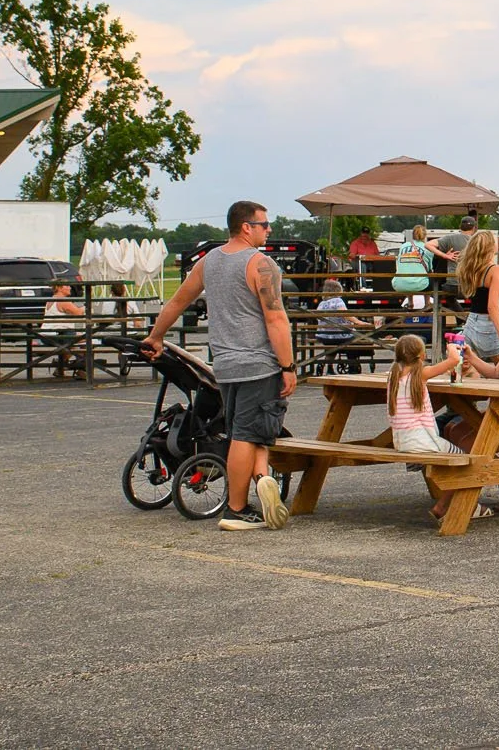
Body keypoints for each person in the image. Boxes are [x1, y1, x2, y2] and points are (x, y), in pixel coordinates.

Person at [141, 200, 296, 531]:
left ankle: (262, 479)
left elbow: (179, 300)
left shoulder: (209, 261)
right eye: (264, 224)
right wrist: (288, 365)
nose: (269, 230)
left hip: (224, 365)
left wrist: (155, 337)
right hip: (258, 363)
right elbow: (276, 318)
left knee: (249, 431)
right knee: (244, 435)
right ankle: (236, 509)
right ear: (246, 227)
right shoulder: (260, 265)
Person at [384, 334, 490, 524]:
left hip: (403, 441)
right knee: (467, 462)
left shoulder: (393, 376)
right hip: (424, 442)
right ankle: (452, 506)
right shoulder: (420, 374)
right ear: (421, 356)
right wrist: (452, 347)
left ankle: (454, 505)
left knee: (457, 459)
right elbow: (454, 361)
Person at [453, 230, 499, 374]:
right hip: (491, 323)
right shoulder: (496, 271)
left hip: (472, 320)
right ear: (490, 247)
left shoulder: (469, 269)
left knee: (466, 368)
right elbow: (493, 305)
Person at [315, 278, 371, 370]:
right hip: (340, 335)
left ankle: (328, 367)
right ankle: (352, 366)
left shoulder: (322, 304)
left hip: (324, 336)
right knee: (353, 343)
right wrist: (358, 322)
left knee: (332, 348)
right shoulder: (338, 301)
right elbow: (344, 313)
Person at [39, 282, 89, 376]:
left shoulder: (51, 299)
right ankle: (81, 370)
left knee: (72, 343)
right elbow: (78, 313)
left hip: (47, 335)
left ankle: (61, 366)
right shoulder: (63, 300)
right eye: (67, 286)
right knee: (86, 341)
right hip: (58, 335)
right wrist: (85, 306)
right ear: (59, 287)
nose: (69, 287)